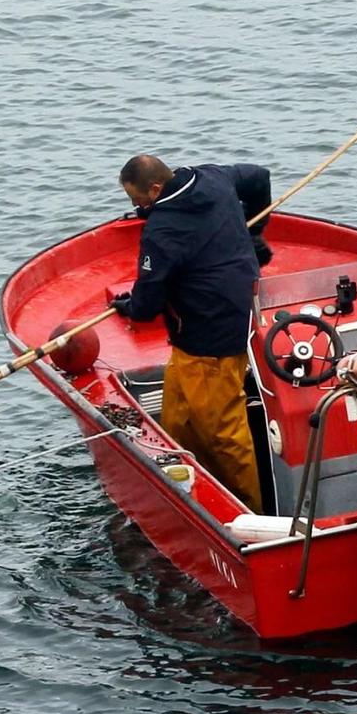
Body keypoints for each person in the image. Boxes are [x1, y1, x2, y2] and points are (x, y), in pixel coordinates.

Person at [111, 154, 274, 510]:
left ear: (155, 189)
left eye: (137, 199)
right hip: (230, 311)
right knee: (178, 418)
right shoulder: (212, 177)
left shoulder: (163, 230)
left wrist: (129, 306)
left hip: (209, 337)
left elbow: (148, 301)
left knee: (223, 435)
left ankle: (251, 510)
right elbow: (258, 176)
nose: (136, 206)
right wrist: (253, 230)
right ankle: (187, 485)